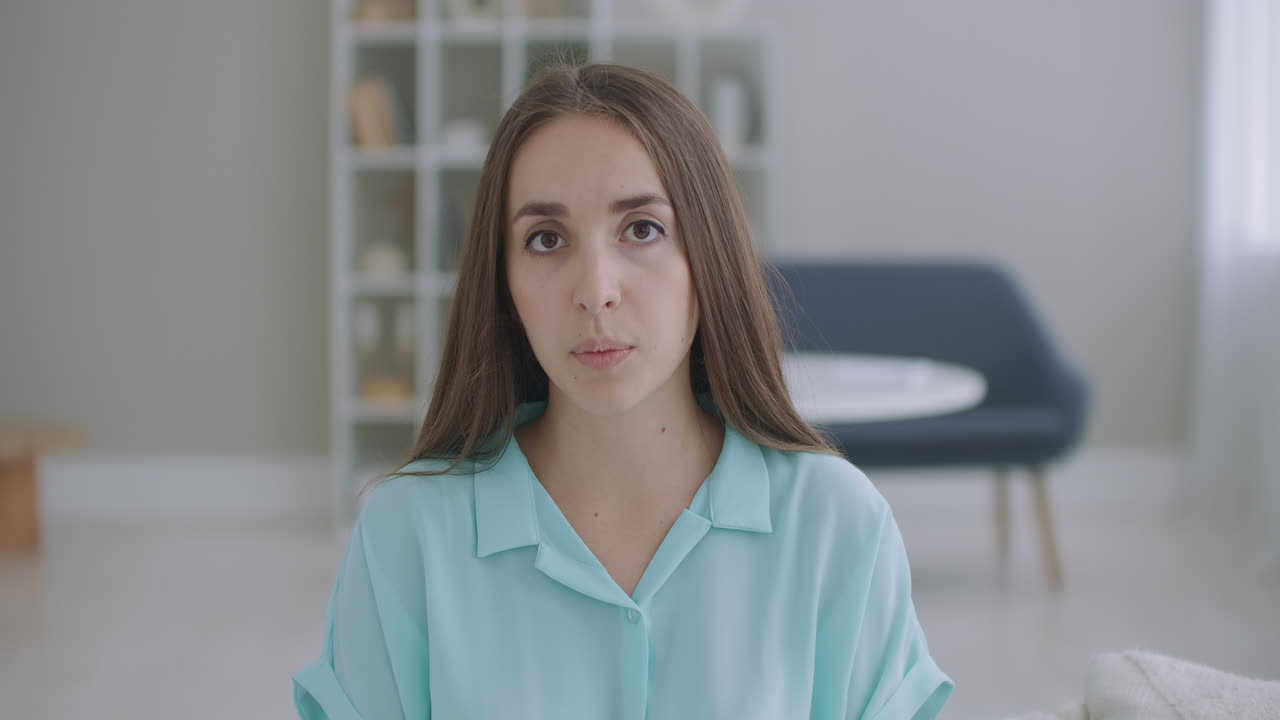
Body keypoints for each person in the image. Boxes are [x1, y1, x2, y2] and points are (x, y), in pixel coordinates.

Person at [293, 62, 953, 720]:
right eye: (546, 239)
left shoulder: (837, 525)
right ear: (504, 283)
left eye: (642, 229)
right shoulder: (408, 535)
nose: (595, 290)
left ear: (710, 255)